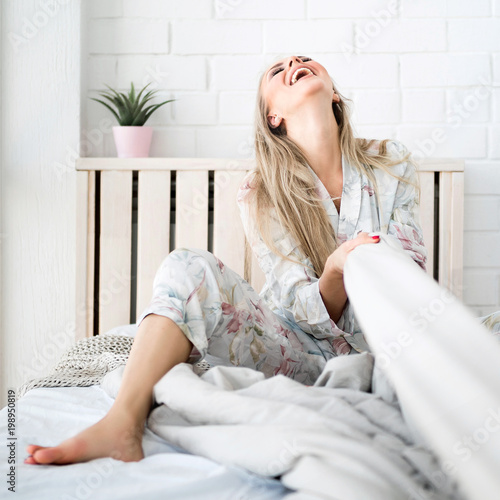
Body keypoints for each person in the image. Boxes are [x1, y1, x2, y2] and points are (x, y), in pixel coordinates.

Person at [24, 55, 432, 466]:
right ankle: (121, 423)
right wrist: (334, 270)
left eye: (305, 60)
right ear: (273, 116)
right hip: (297, 355)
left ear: (336, 95)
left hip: (391, 348)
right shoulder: (260, 190)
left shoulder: (390, 161)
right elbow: (295, 306)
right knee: (187, 265)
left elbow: (409, 269)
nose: (294, 62)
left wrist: (359, 266)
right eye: (278, 70)